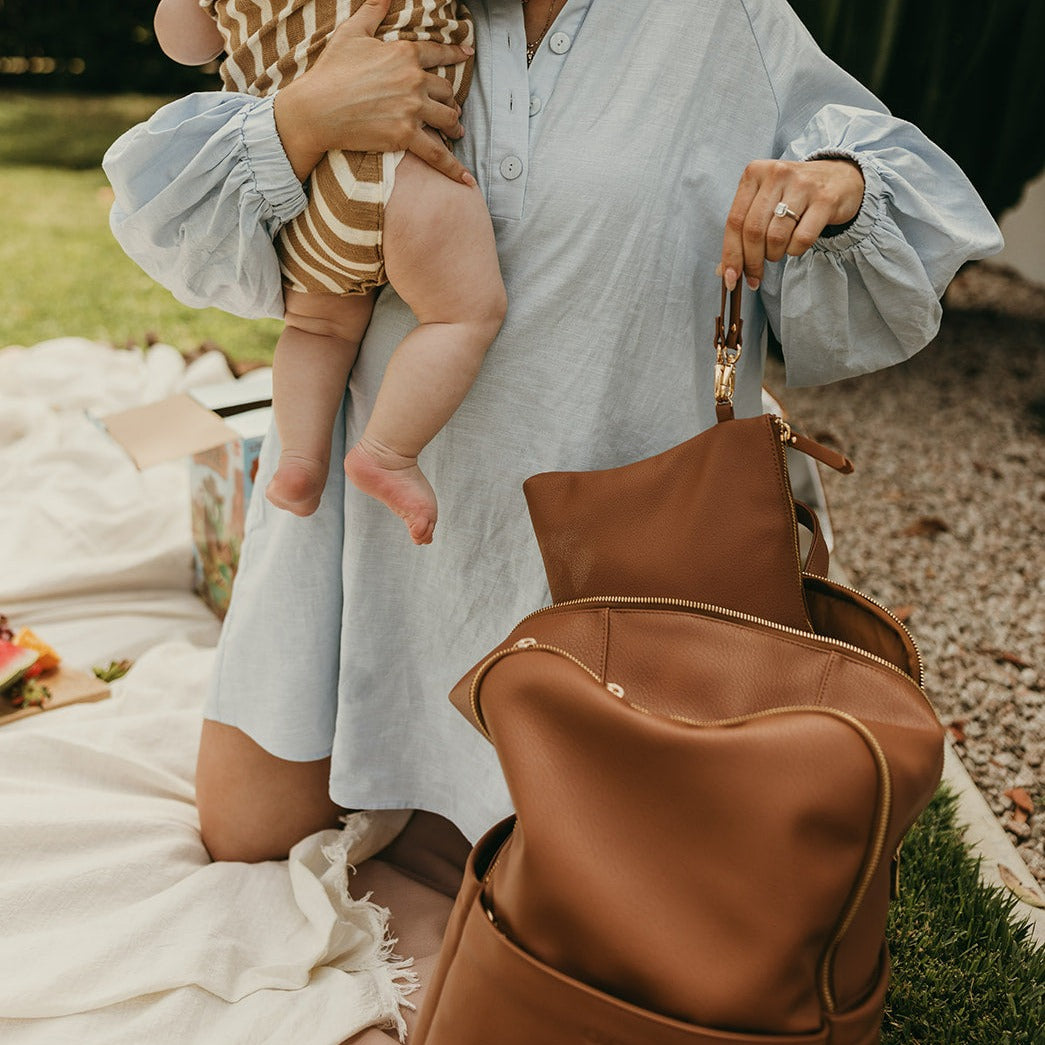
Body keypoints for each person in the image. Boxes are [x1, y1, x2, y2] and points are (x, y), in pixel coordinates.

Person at [104, 0, 1002, 867]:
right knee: (247, 836)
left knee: (574, 892)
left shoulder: (718, 20)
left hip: (596, 539)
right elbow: (183, 216)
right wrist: (301, 119)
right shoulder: (410, 6)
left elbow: (877, 173)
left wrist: (833, 185)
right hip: (368, 519)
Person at [153, 0, 506, 543]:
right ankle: (388, 451)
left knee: (317, 329)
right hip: (390, 156)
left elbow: (183, 44)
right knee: (462, 314)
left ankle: (299, 462)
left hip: (289, 184)